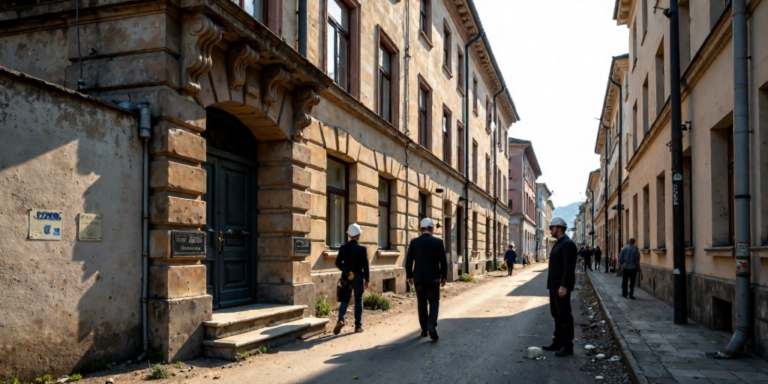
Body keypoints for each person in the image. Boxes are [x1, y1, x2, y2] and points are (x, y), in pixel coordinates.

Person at [406, 218, 448, 341]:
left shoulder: (414, 242)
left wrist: (409, 276)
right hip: (433, 278)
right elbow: (443, 262)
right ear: (431, 229)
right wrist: (444, 277)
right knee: (434, 301)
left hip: (418, 278)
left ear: (421, 229)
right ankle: (431, 324)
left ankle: (424, 329)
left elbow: (409, 262)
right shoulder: (438, 242)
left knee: (421, 303)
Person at [542, 217, 578, 357]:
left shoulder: (567, 244)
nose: (550, 230)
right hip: (554, 286)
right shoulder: (558, 243)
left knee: (564, 316)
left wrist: (564, 286)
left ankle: (568, 346)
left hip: (561, 287)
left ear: (559, 227)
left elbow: (568, 268)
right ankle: (557, 342)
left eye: (552, 227)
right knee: (556, 314)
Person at [333, 223, 370, 335]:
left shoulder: (343, 248)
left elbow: (337, 262)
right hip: (358, 278)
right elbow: (365, 266)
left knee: (344, 299)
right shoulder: (362, 249)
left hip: (346, 277)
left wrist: (345, 269)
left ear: (349, 235)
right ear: (358, 235)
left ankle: (340, 319)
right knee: (358, 300)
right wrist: (367, 280)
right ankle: (358, 326)